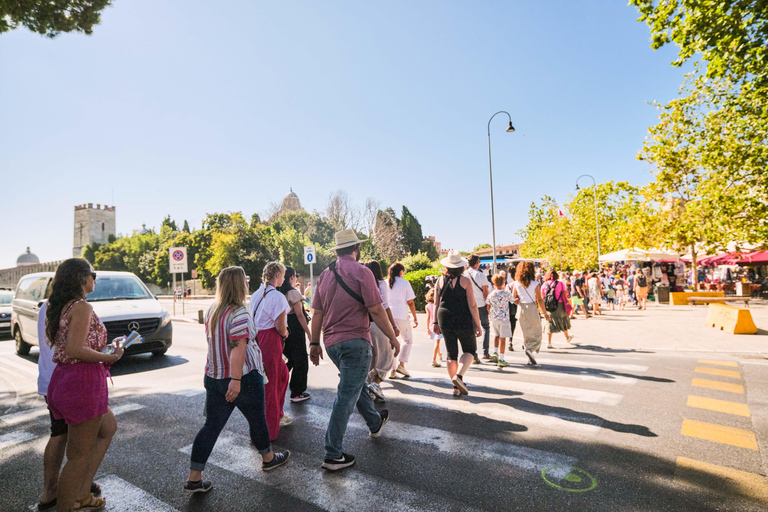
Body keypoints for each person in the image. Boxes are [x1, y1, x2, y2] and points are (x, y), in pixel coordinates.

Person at [186, 266, 290, 494]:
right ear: (238, 284)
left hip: (213, 376)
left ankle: (194, 478)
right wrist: (235, 380)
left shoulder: (213, 309)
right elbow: (238, 347)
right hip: (242, 379)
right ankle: (268, 458)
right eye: (245, 280)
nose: (247, 284)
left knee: (211, 426)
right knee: (257, 419)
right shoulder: (239, 313)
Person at [310, 229, 400, 471]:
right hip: (356, 344)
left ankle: (374, 422)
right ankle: (332, 453)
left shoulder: (325, 275)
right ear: (356, 249)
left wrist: (314, 343)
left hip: (331, 345)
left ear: (337, 250)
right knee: (345, 396)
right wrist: (392, 336)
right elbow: (376, 310)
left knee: (355, 385)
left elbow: (316, 313)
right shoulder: (362, 272)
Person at [45, 259, 122, 511]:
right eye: (92, 274)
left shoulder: (65, 306)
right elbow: (75, 349)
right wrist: (109, 357)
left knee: (108, 427)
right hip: (82, 382)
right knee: (77, 457)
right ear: (81, 278)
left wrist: (104, 351)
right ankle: (69, 503)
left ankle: (82, 493)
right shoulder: (82, 307)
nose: (95, 279)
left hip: (65, 379)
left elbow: (74, 346)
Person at [249, 262, 291, 440]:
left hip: (257, 340)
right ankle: (269, 431)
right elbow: (280, 326)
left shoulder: (256, 294)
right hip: (271, 342)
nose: (284, 277)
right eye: (283, 274)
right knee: (271, 386)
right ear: (276, 276)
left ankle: (277, 415)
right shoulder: (278, 297)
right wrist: (286, 333)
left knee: (281, 376)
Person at [433, 251, 483, 396]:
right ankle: (459, 377)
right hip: (462, 317)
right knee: (470, 350)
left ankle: (455, 388)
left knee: (451, 353)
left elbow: (436, 302)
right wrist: (478, 324)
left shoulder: (439, 280)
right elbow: (472, 305)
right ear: (461, 266)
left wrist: (435, 322)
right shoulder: (465, 281)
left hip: (444, 316)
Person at [364, 260, 400, 402]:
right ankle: (375, 384)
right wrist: (393, 326)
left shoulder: (362, 282)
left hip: (364, 325)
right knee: (386, 356)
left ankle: (368, 387)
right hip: (378, 324)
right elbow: (384, 306)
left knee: (371, 357)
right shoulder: (381, 283)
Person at [278, 266, 312, 403]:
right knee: (301, 360)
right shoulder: (293, 292)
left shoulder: (278, 291)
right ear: (292, 277)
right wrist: (309, 334)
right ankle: (297, 392)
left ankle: (277, 383)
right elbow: (300, 315)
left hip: (284, 326)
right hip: (295, 329)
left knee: (290, 359)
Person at [511, 260, 550, 366]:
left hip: (521, 309)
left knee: (526, 334)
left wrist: (517, 301)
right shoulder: (535, 283)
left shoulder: (516, 283)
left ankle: (529, 357)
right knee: (537, 332)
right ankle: (531, 349)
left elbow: (512, 298)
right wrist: (545, 313)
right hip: (532, 308)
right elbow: (540, 299)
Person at [387, 263, 418, 378]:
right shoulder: (404, 283)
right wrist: (415, 317)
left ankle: (392, 370)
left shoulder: (385, 282)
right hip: (402, 315)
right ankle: (402, 365)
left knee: (393, 342)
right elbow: (410, 302)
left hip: (389, 316)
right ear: (401, 272)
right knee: (408, 340)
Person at [464, 255, 491, 361]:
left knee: (472, 330)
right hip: (481, 305)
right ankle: (485, 352)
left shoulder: (464, 275)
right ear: (476, 263)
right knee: (485, 327)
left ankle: (473, 355)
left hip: (469, 305)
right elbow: (485, 291)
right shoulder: (481, 275)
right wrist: (488, 304)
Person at [486, 274, 513, 367]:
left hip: (494, 318)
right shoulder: (506, 293)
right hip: (504, 318)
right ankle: (501, 359)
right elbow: (514, 300)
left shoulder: (491, 294)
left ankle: (495, 352)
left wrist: (492, 313)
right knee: (503, 338)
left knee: (496, 336)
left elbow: (488, 306)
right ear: (503, 282)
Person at [541, 270, 573, 349]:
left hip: (548, 305)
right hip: (560, 304)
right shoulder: (560, 283)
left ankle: (549, 342)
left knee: (549, 321)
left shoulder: (544, 284)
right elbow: (565, 294)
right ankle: (567, 337)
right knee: (563, 319)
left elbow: (542, 296)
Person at [425, 288, 443, 367]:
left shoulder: (428, 306)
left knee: (436, 341)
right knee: (437, 342)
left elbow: (428, 317)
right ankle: (434, 360)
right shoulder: (439, 304)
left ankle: (439, 354)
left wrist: (427, 328)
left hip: (431, 325)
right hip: (438, 325)